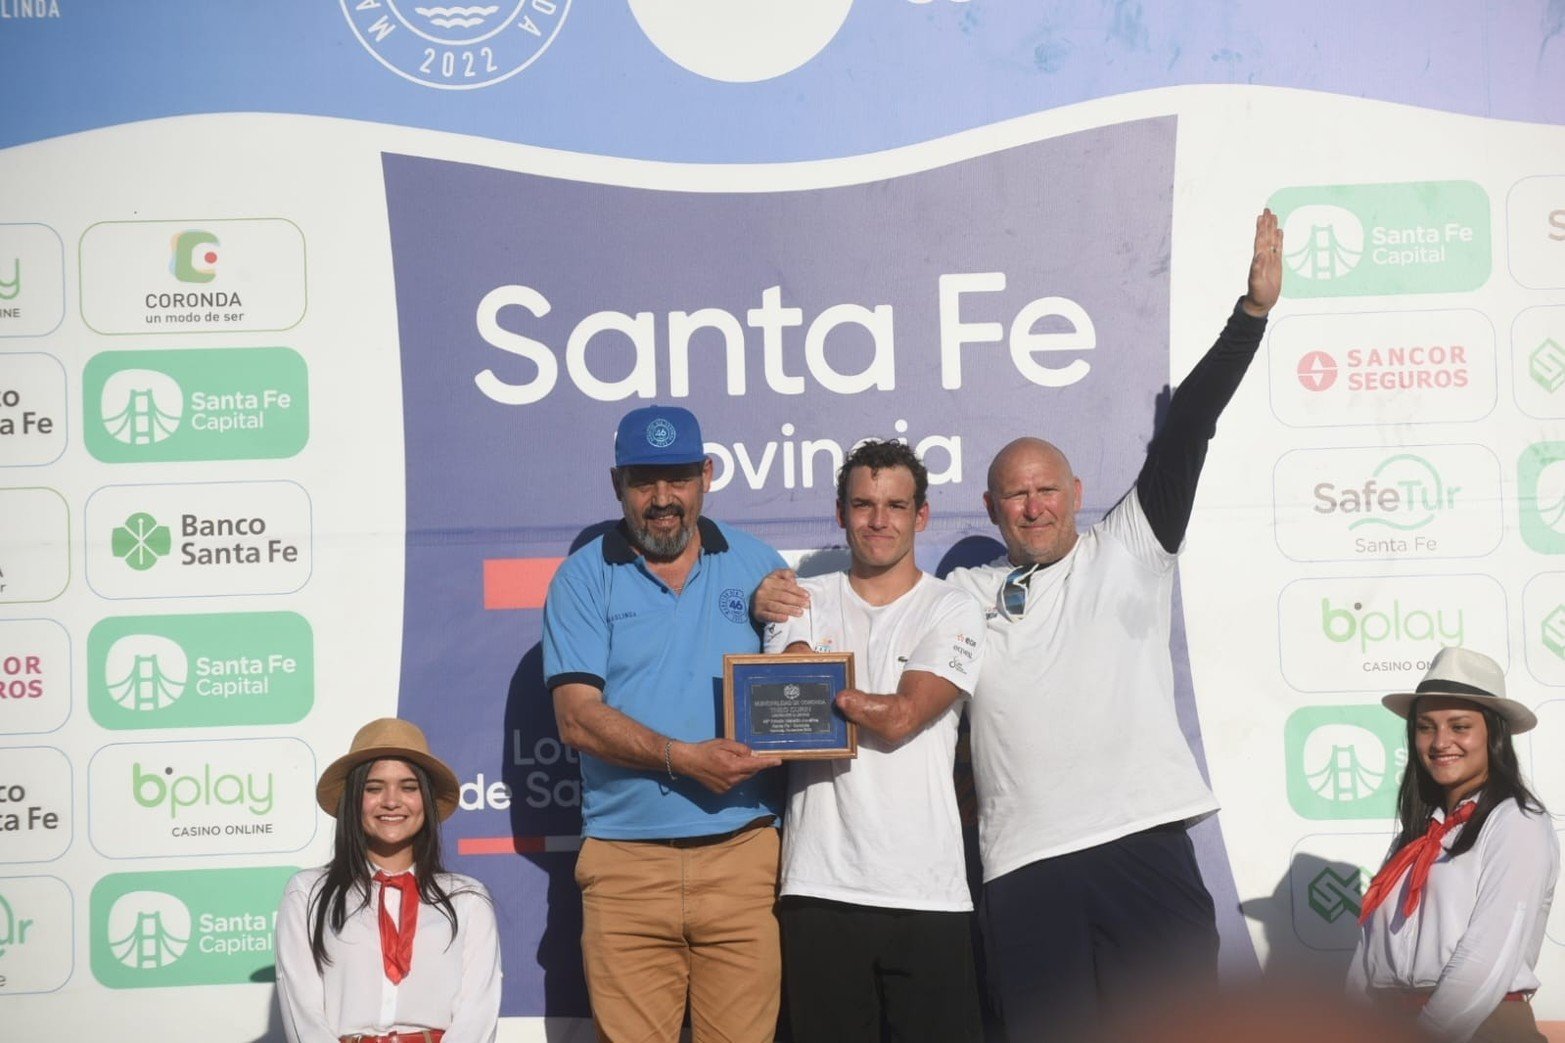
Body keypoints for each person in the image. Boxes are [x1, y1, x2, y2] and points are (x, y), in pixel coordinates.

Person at [753, 207, 1284, 1041]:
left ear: (1075, 491)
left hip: (1138, 847)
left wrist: (1248, 317)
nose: (1033, 505)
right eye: (1014, 494)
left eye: (1047, 488)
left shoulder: (1131, 544)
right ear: (991, 509)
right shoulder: (963, 588)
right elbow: (869, 595)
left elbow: (1189, 427)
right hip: (1020, 867)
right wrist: (774, 594)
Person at [542, 404, 788, 1043]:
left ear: (706, 475)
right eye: (644, 480)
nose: (662, 499)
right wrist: (685, 758)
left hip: (742, 856)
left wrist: (792, 649)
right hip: (626, 868)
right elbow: (577, 720)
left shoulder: (757, 562)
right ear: (617, 482)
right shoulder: (582, 577)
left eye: (677, 477)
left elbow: (802, 679)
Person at [764, 440, 987, 1042]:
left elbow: (901, 716)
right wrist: (814, 691)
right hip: (819, 887)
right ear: (841, 513)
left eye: (895, 505)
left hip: (928, 891)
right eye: (863, 504)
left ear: (922, 515)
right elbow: (787, 712)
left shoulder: (954, 608)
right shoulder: (797, 599)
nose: (879, 520)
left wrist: (822, 690)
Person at [1348, 646, 1558, 1043]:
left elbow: (1488, 955)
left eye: (1459, 726)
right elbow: (1368, 954)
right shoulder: (1413, 838)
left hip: (1481, 1028)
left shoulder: (1517, 821)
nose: (1440, 741)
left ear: (1493, 734)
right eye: (1426, 727)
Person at [275, 717, 501, 1043]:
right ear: (354, 800)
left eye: (408, 787)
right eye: (374, 788)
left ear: (426, 800)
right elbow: (303, 1015)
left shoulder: (467, 898)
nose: (392, 801)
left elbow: (477, 1016)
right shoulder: (307, 894)